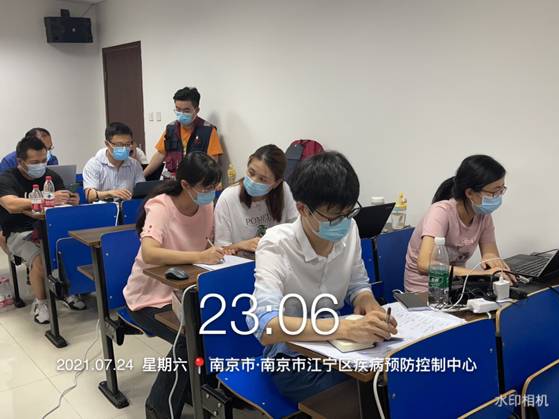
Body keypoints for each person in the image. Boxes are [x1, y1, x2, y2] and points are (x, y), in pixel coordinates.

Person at [248, 151, 397, 403]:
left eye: (348, 213)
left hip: (340, 350)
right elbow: (265, 326)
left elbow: (357, 284)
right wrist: (342, 328)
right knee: (366, 397)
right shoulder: (276, 245)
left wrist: (369, 305)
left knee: (396, 380)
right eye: (333, 216)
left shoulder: (349, 229)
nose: (343, 222)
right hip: (292, 359)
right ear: (302, 209)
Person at [123, 152, 226, 419]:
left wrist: (225, 250)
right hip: (149, 298)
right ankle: (158, 409)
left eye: (214, 186)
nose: (211, 192)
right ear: (185, 185)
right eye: (206, 187)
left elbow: (208, 247)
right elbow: (150, 253)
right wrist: (199, 256)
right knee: (189, 339)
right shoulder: (161, 206)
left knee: (218, 328)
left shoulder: (206, 206)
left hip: (185, 293)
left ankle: (194, 390)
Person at [0, 136, 81, 324]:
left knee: (73, 249)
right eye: (35, 162)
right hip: (18, 233)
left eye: (44, 160)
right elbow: (11, 204)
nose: (41, 165)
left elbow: (63, 203)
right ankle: (41, 303)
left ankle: (67, 291)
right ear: (21, 161)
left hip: (50, 228)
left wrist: (72, 200)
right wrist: (47, 199)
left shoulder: (51, 176)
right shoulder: (6, 178)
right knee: (40, 258)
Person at [404, 154, 512, 293]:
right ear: (470, 193)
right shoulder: (441, 212)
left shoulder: (483, 216)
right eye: (494, 192)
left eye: (501, 190)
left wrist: (494, 263)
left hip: (457, 289)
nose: (498, 197)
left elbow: (491, 254)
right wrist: (480, 274)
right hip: (425, 290)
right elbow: (424, 264)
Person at [214, 144, 298, 254]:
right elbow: (220, 250)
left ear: (276, 183)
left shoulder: (283, 190)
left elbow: (296, 230)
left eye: (263, 179)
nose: (254, 181)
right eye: (251, 173)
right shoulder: (228, 197)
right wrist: (241, 246)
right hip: (241, 261)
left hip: (274, 259)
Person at [143, 87, 223, 179]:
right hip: (173, 180)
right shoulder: (170, 129)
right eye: (178, 109)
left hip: (196, 181)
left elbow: (212, 163)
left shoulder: (208, 131)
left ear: (196, 110)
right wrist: (142, 176)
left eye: (186, 110)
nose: (181, 114)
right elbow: (160, 154)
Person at [82, 122, 145, 202]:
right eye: (119, 145)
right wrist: (110, 193)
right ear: (107, 144)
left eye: (127, 144)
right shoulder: (94, 164)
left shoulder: (134, 165)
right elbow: (90, 196)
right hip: (103, 208)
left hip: (128, 206)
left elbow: (142, 191)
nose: (124, 148)